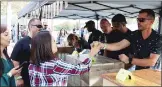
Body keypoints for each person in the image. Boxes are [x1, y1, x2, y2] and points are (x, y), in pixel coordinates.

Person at [94, 9, 162, 70]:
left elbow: (152, 61)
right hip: (137, 71)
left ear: (151, 22)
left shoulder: (157, 38)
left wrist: (129, 60)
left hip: (153, 74)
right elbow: (119, 45)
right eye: (137, 19)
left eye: (141, 20)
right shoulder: (135, 34)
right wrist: (102, 45)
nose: (138, 22)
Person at [29, 31, 100, 86]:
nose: (56, 44)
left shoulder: (31, 65)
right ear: (47, 46)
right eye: (53, 41)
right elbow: (81, 69)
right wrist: (92, 54)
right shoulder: (55, 65)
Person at [10, 18, 42, 87]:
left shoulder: (41, 42)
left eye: (41, 26)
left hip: (39, 79)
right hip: (26, 80)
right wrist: (18, 78)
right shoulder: (21, 42)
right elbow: (15, 61)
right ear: (30, 27)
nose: (40, 28)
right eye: (39, 26)